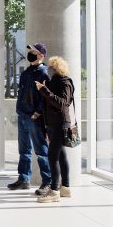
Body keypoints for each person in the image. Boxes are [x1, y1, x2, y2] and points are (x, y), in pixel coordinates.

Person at [7, 43, 52, 195]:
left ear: (41, 55)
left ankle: (47, 182)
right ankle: (24, 179)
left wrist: (37, 113)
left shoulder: (44, 73)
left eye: (34, 51)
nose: (31, 53)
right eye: (30, 51)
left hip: (34, 117)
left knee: (41, 151)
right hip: (23, 115)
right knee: (24, 150)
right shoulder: (26, 73)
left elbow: (45, 97)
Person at [34, 56, 74, 203]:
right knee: (61, 156)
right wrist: (45, 89)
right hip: (51, 124)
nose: (49, 70)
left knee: (52, 156)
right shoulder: (53, 82)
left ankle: (55, 191)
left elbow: (63, 103)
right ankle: (66, 188)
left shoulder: (65, 82)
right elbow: (48, 105)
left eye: (52, 67)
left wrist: (45, 90)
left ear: (58, 68)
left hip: (60, 124)